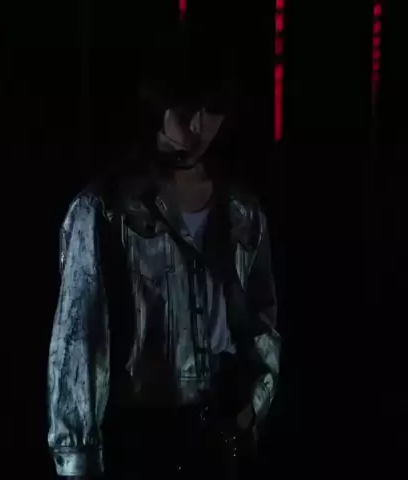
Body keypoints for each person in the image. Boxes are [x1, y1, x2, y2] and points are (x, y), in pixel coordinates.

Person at [47, 30, 282, 479]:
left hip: (219, 438)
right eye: (187, 110)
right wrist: (78, 460)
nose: (198, 128)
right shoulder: (105, 210)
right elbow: (80, 341)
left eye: (211, 111)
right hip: (140, 440)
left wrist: (252, 408)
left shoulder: (242, 211)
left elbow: (262, 320)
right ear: (160, 104)